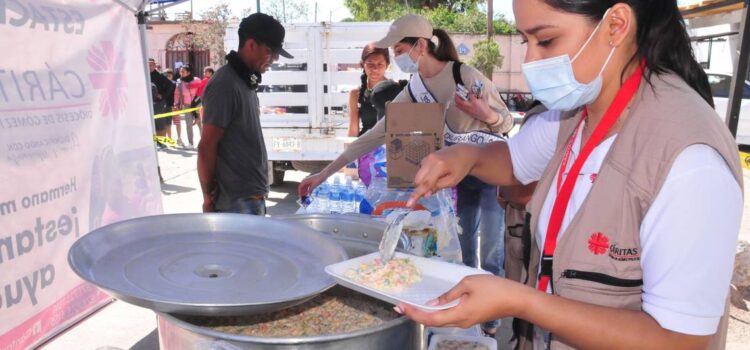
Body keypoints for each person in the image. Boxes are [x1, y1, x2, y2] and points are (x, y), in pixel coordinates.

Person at [399, 1, 742, 349]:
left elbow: (680, 341)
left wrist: (520, 301)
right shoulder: (577, 111)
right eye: (524, 41)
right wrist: (467, 156)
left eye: (545, 41)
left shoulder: (690, 161)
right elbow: (514, 161)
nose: (530, 61)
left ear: (616, 25)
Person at [298, 13, 513, 336]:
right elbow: (376, 134)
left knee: (492, 252)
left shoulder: (463, 75)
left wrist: (485, 114)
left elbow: (507, 123)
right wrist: (324, 174)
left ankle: (492, 323)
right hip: (459, 176)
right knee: (464, 249)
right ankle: (468, 315)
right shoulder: (415, 87)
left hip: (492, 172)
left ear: (421, 46)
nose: (396, 56)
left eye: (399, 48)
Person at [198, 12, 292, 215]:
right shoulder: (225, 84)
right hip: (235, 202)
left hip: (250, 197)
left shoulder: (245, 81)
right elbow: (206, 147)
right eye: (270, 51)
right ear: (251, 45)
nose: (274, 59)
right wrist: (207, 198)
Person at [348, 43, 391, 137]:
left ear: (387, 65)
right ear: (363, 65)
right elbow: (353, 130)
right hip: (366, 146)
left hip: (391, 146)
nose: (375, 69)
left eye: (380, 64)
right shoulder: (355, 93)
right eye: (370, 64)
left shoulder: (396, 90)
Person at [172, 64, 202, 149]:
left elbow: (202, 90)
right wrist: (176, 103)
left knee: (200, 124)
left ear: (189, 72)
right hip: (187, 105)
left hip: (197, 104)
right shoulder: (179, 82)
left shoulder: (197, 80)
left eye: (183, 71)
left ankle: (204, 143)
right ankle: (191, 143)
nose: (181, 73)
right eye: (180, 71)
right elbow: (177, 93)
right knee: (188, 124)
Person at [148, 58, 174, 140]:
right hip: (147, 102)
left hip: (158, 103)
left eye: (151, 65)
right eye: (148, 65)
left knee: (159, 122)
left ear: (155, 66)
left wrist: (162, 95)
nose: (150, 67)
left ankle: (161, 141)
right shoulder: (143, 74)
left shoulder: (160, 75)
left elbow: (171, 85)